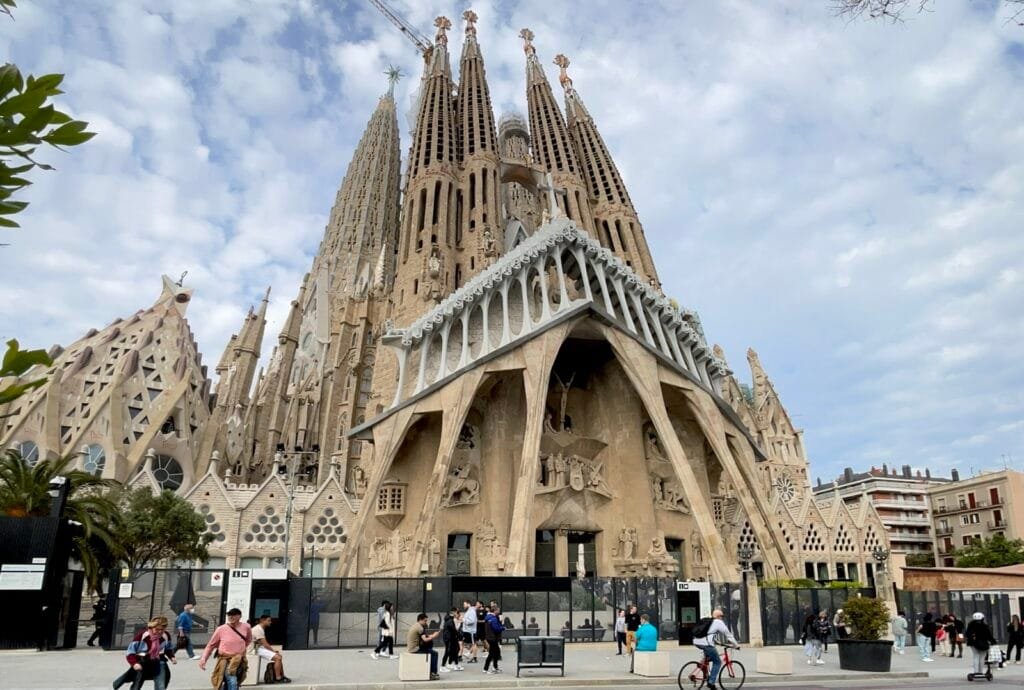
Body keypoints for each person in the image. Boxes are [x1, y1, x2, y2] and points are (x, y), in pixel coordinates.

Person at [113, 617, 176, 690]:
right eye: (157, 629)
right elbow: (130, 652)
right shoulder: (142, 635)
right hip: (143, 661)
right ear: (152, 627)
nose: (159, 632)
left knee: (161, 684)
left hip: (159, 661)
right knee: (137, 684)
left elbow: (168, 649)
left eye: (162, 630)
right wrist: (134, 663)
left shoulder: (166, 635)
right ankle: (117, 683)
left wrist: (172, 657)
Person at [198, 608, 251, 690]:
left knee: (233, 681)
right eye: (229, 615)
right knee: (232, 681)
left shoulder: (246, 627)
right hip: (225, 659)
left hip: (239, 659)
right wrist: (203, 659)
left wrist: (240, 649)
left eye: (233, 615)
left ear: (239, 616)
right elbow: (210, 645)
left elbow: (248, 640)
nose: (231, 617)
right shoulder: (221, 629)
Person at [692, 608, 739, 690]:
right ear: (718, 616)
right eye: (722, 616)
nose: (722, 618)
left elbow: (710, 635)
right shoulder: (718, 622)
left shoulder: (709, 622)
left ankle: (703, 667)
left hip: (696, 641)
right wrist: (736, 645)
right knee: (717, 662)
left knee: (708, 658)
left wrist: (719, 643)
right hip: (706, 644)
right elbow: (728, 635)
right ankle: (711, 683)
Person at [252, 614, 291, 683]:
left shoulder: (260, 628)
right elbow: (265, 644)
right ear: (262, 621)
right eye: (268, 621)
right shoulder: (258, 629)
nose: (270, 622)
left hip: (258, 647)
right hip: (254, 649)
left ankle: (281, 675)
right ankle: (278, 678)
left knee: (279, 656)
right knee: (278, 658)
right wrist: (273, 651)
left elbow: (263, 644)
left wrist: (273, 651)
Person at [407, 612, 441, 680]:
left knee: (430, 650)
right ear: (420, 620)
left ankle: (431, 671)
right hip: (415, 649)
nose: (426, 622)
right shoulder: (420, 628)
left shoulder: (416, 625)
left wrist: (432, 635)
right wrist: (434, 636)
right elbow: (425, 639)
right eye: (425, 621)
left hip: (412, 647)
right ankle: (432, 673)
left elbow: (425, 636)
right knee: (434, 653)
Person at [965, 611, 996, 677]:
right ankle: (980, 671)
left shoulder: (970, 625)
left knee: (975, 656)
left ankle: (976, 671)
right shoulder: (984, 626)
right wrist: (993, 641)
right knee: (982, 657)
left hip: (973, 643)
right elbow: (989, 635)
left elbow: (967, 634)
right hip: (983, 643)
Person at [440, 607, 464, 672]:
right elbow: (453, 629)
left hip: (452, 637)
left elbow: (454, 629)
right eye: (457, 612)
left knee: (456, 649)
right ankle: (442, 666)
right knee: (447, 652)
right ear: (454, 612)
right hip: (448, 638)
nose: (458, 614)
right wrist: (459, 635)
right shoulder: (449, 619)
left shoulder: (451, 618)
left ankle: (454, 664)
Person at [482, 604, 504, 674]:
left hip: (489, 637)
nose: (499, 612)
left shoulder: (488, 617)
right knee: (492, 653)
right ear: (495, 611)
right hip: (493, 637)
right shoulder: (493, 618)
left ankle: (495, 667)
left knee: (496, 652)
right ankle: (486, 669)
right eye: (498, 610)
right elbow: (496, 628)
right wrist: (502, 627)